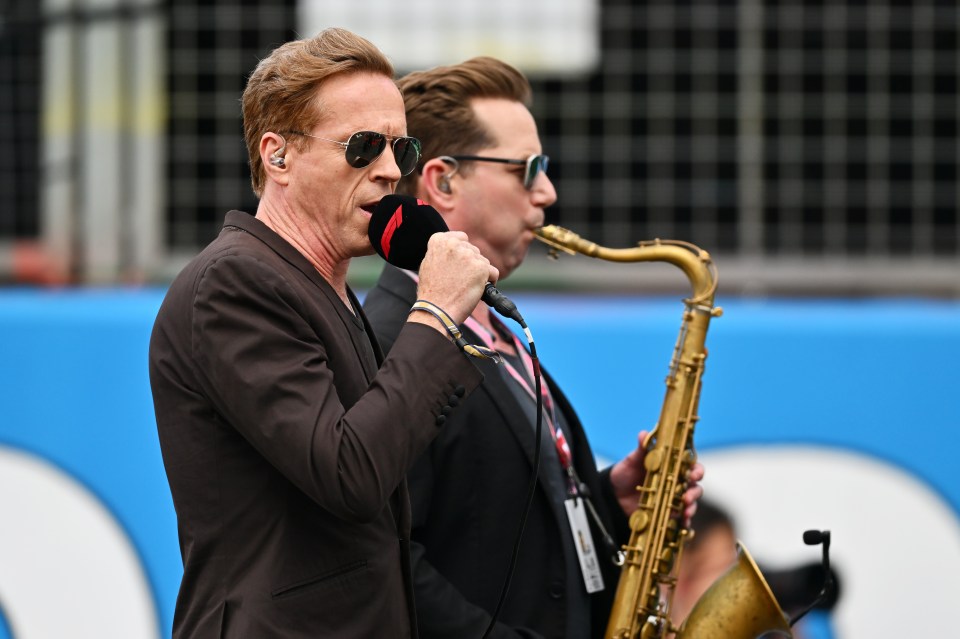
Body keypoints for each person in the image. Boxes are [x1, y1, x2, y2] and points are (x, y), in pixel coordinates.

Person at [148, 29, 499, 638]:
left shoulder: (319, 283)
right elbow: (349, 473)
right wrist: (436, 314)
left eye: (402, 149)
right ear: (277, 155)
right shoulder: (235, 282)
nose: (391, 171)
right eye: (363, 147)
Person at [362, 56, 704, 639]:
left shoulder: (493, 325)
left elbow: (499, 519)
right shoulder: (392, 336)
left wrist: (606, 499)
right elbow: (384, 562)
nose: (547, 191)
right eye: (528, 168)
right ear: (442, 180)